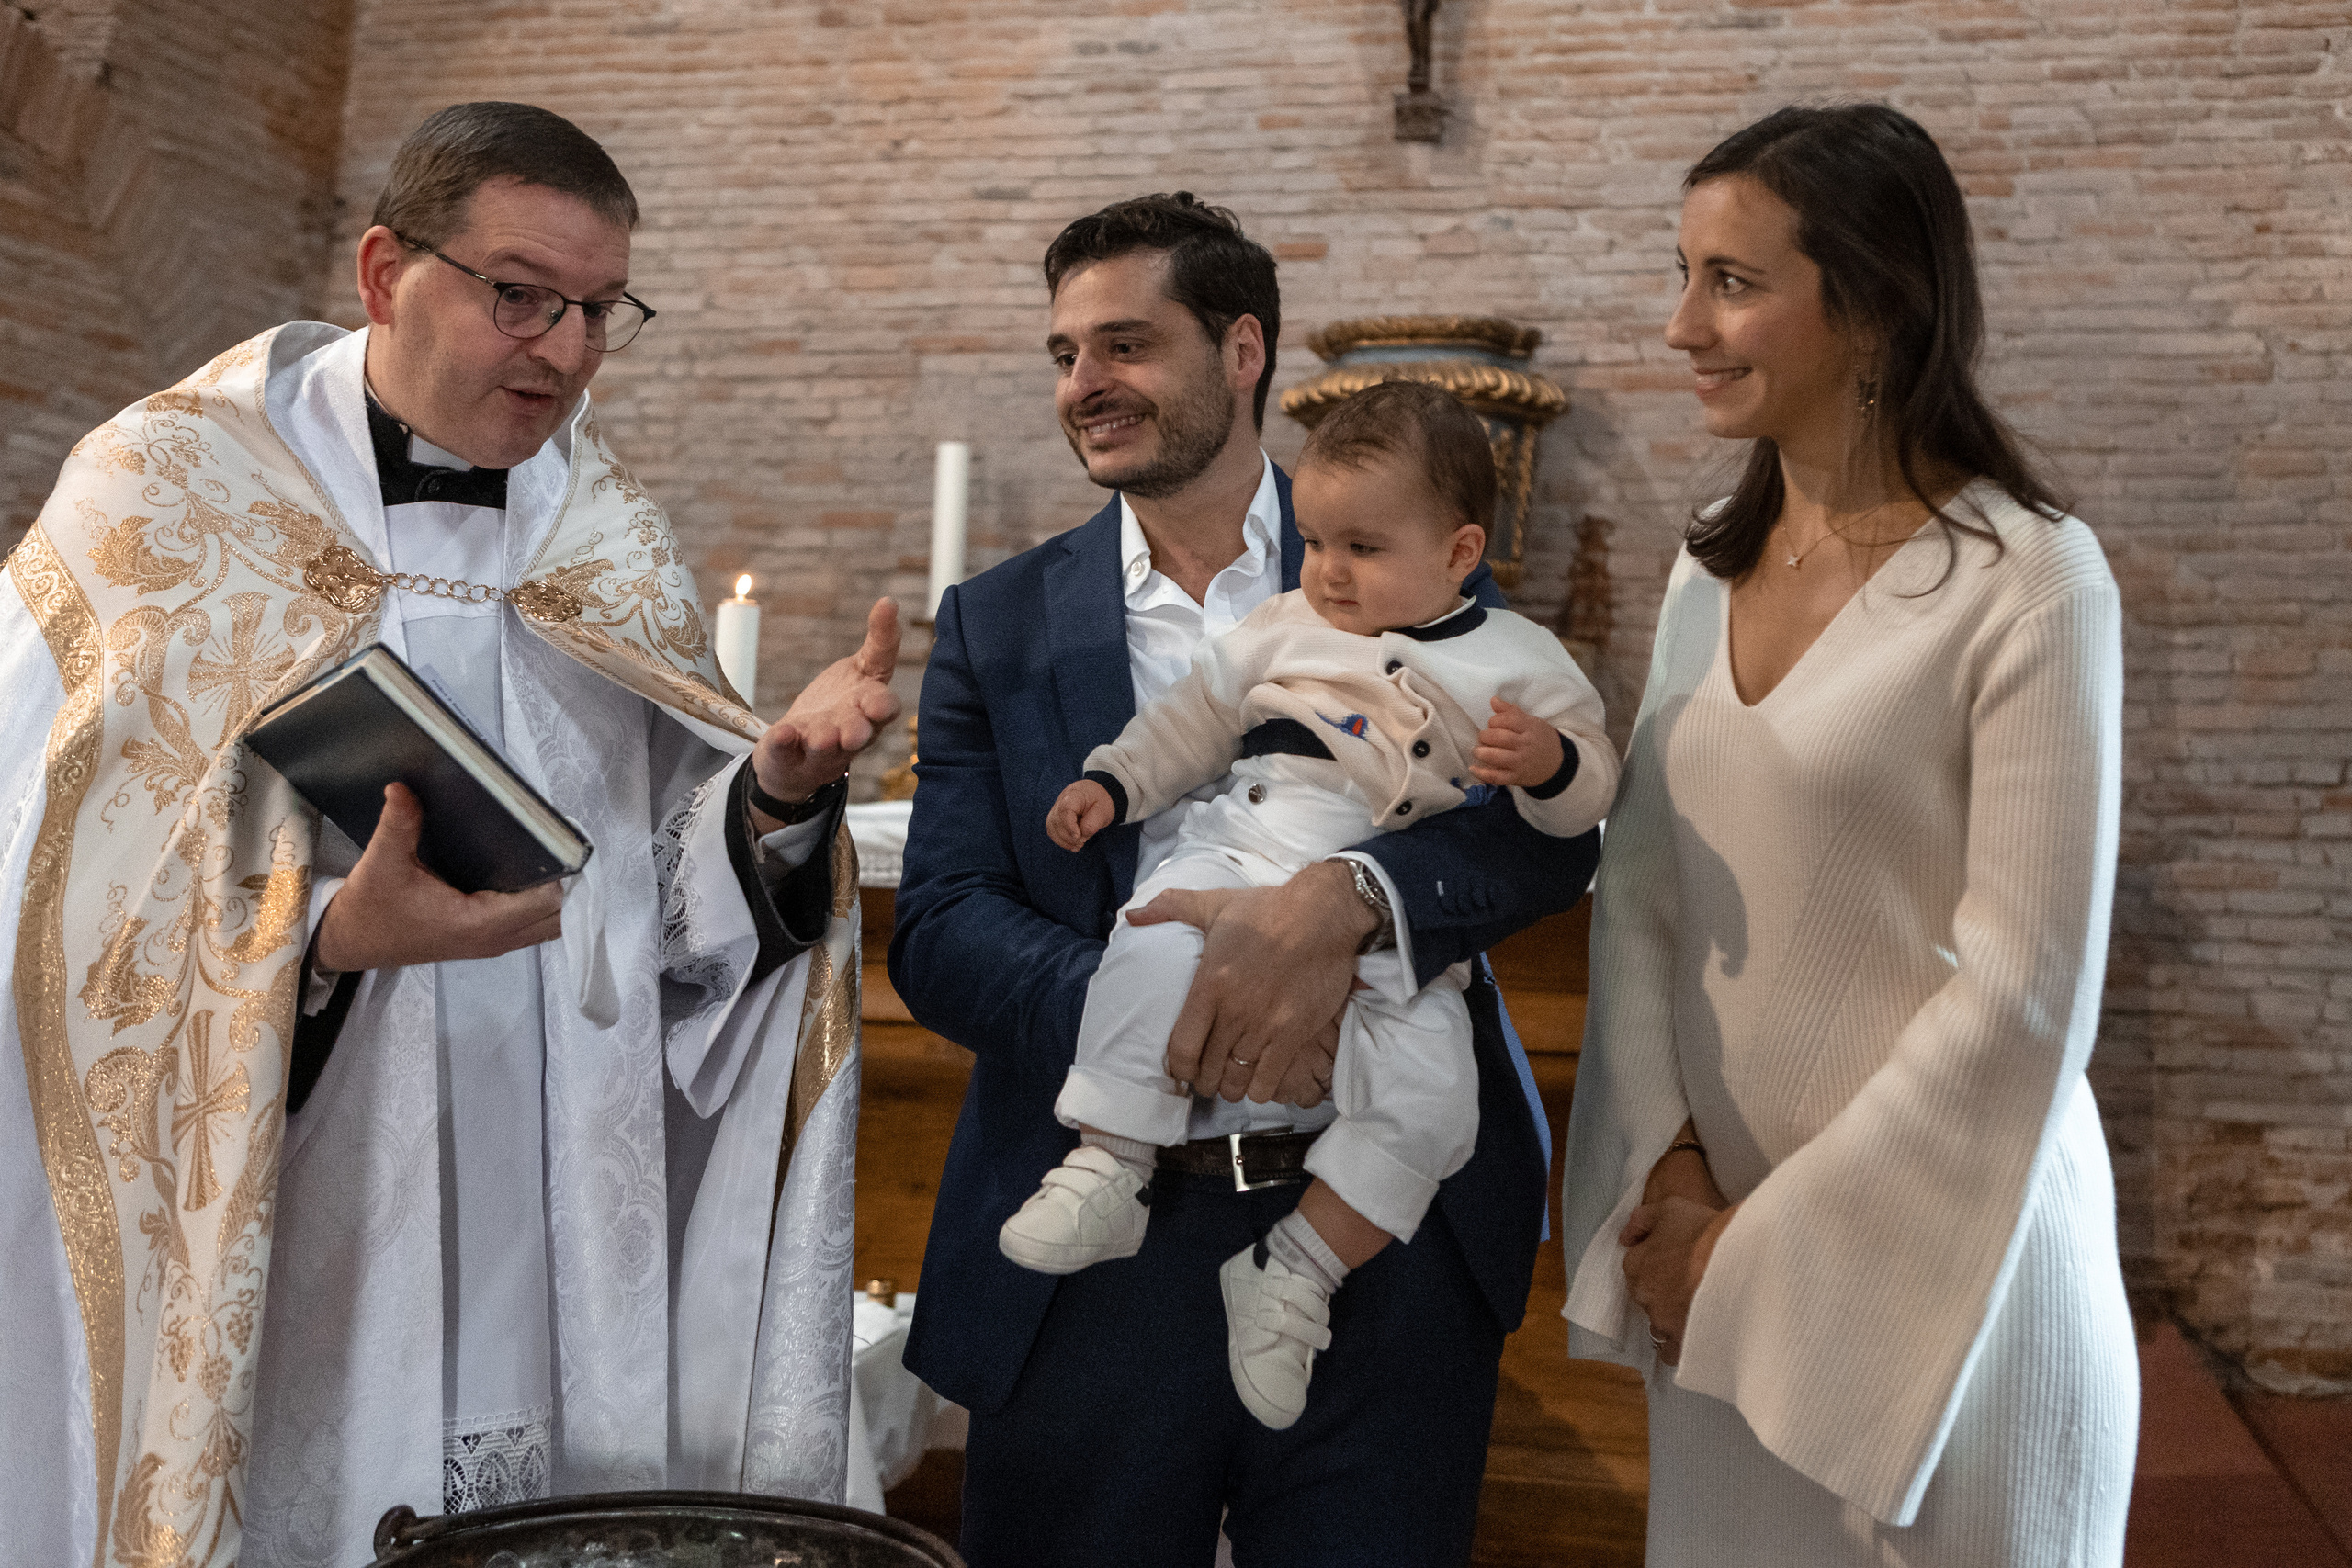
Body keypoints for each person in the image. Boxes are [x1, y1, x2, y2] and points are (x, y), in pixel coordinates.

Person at [0, 102, 901, 1568]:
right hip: (294, 1196)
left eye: (601, 310)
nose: (562, 350)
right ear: (380, 273)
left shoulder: (605, 539)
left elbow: (656, 902)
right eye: (519, 295)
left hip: (552, 1176)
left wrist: (774, 803)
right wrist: (325, 943)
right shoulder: (165, 499)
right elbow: (47, 886)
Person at [888, 191, 1600, 1568]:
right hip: (1098, 1242)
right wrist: (1182, 996)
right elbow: (942, 926)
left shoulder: (1410, 555)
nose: (1084, 385)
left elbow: (1547, 832)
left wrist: (1347, 910)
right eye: (1063, 355)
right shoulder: (1000, 621)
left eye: (1126, 345)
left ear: (1243, 350)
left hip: (1377, 1239)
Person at [1558, 103, 2137, 1566]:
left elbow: (2024, 996)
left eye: (1733, 282)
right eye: (1683, 272)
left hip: (1951, 1272)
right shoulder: (1709, 562)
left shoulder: (2030, 581)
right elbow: (1639, 899)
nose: (1682, 322)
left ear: (1876, 302)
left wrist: (1752, 1252)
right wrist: (1674, 1179)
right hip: (1716, 1272)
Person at [1004, 381, 1616, 1432]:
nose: (1329, 571)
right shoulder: (1280, 630)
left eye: (1364, 548)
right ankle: (1111, 1159)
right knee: (1147, 947)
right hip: (1240, 849)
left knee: (1435, 1103)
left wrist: (1554, 763)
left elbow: (1585, 811)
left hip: (1390, 929)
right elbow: (1188, 726)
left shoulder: (1521, 663)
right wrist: (1112, 783)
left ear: (1461, 551)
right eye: (1317, 541)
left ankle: (1298, 1268)